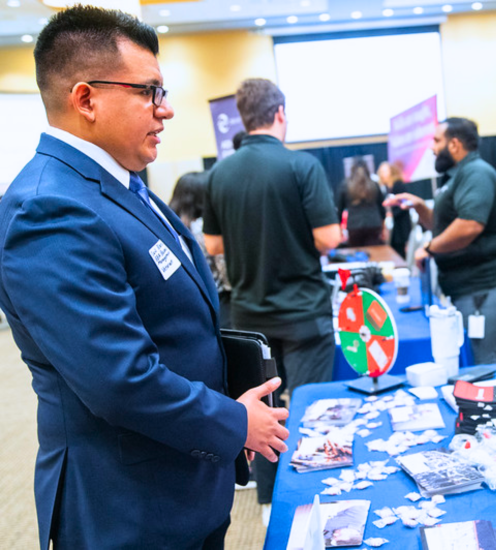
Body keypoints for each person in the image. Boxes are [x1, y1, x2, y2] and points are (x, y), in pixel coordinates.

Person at [0, 7, 288, 549]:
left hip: (182, 480)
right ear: (85, 99)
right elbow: (119, 379)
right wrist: (232, 422)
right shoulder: (49, 209)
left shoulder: (118, 183)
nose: (168, 109)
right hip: (127, 506)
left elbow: (173, 320)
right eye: (150, 92)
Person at [203, 78, 341, 508]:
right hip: (303, 314)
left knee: (263, 416)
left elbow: (213, 245)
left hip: (249, 319)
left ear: (243, 118)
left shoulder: (219, 173)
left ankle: (271, 506)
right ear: (280, 113)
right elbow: (329, 237)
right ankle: (314, 501)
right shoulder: (302, 166)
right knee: (310, 410)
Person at [384, 117, 496, 366]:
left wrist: (429, 248)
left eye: (437, 141)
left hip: (486, 287)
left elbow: (470, 225)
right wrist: (418, 206)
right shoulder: (457, 176)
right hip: (471, 287)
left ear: (455, 144)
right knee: (488, 359)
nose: (432, 148)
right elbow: (440, 226)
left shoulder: (476, 173)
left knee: (484, 364)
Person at [169, 171, 232, 328]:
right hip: (218, 299)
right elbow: (225, 273)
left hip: (186, 303)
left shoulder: (169, 226)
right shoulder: (204, 229)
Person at [337, 159, 386, 247]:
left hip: (354, 226)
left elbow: (339, 210)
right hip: (373, 224)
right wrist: (383, 228)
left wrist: (339, 230)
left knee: (356, 255)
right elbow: (382, 209)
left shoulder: (345, 185)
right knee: (374, 254)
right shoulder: (374, 184)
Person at [378, 161, 411, 259]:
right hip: (394, 226)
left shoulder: (398, 185)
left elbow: (403, 205)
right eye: (381, 172)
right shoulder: (388, 188)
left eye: (385, 171)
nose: (383, 174)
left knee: (400, 251)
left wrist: (391, 214)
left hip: (401, 225)